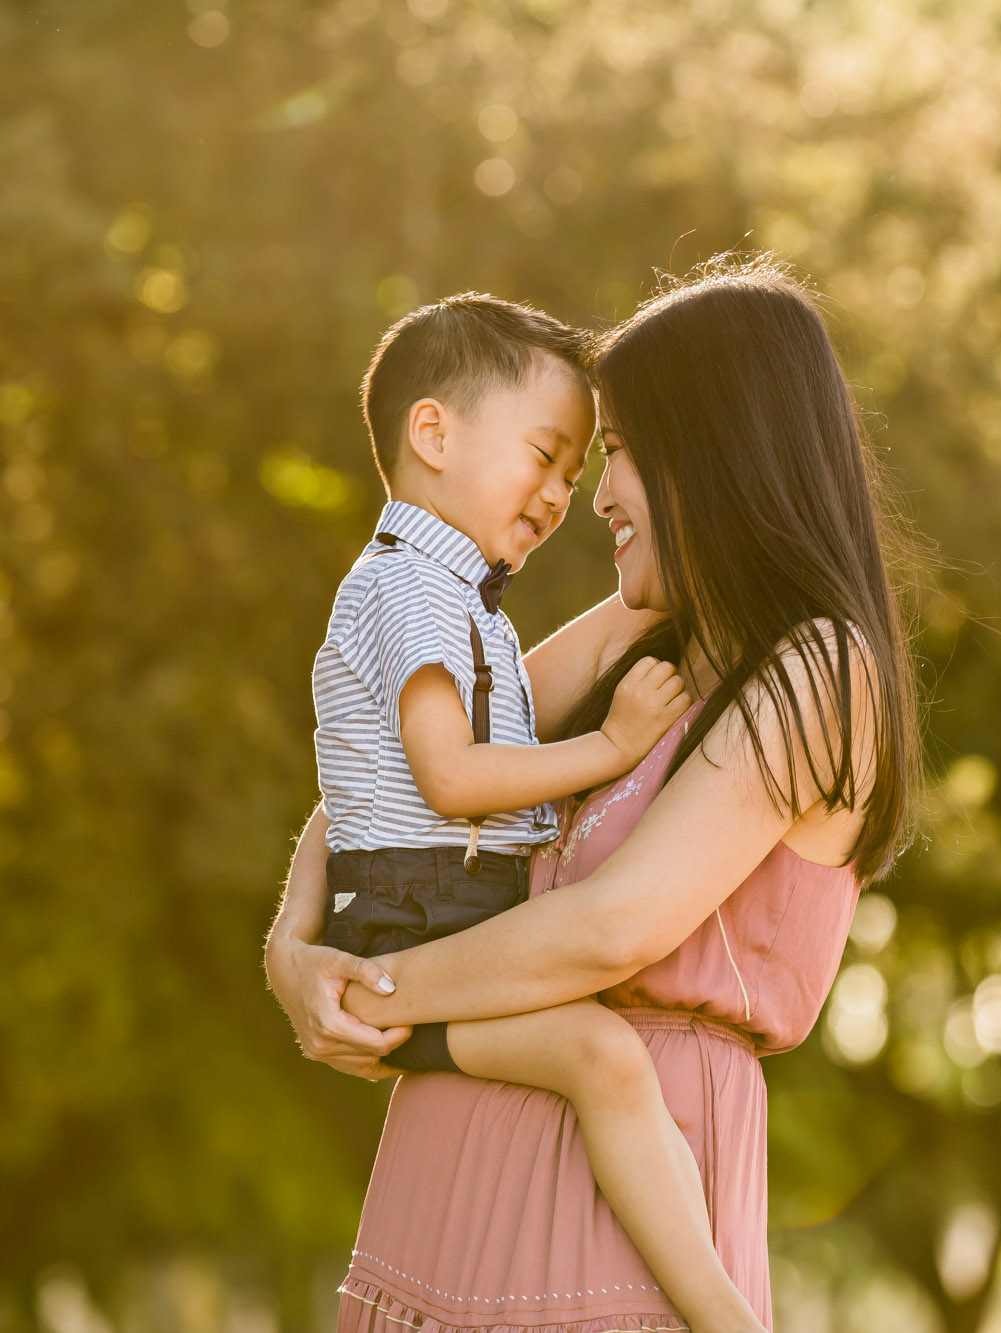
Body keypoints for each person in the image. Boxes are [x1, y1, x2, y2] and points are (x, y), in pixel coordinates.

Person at [267, 255, 919, 1332]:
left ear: (714, 456)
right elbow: (381, 781)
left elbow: (612, 928)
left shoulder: (817, 668)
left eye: (615, 454)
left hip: (608, 1232)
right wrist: (296, 954)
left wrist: (377, 993)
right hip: (442, 1205)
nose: (595, 497)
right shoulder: (639, 641)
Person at [309, 292, 768, 1333]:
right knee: (601, 1057)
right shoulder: (412, 596)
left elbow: (362, 777)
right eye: (550, 454)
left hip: (428, 918)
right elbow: (448, 779)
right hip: (422, 920)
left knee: (599, 1059)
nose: (568, 493)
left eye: (580, 467)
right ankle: (727, 1317)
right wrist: (606, 750)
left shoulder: (446, 596)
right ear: (433, 432)